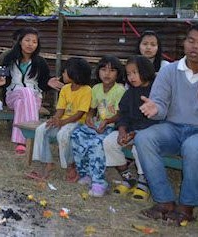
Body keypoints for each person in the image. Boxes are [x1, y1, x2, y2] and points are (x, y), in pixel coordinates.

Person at [136, 24, 198, 225]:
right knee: (144, 138)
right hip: (173, 128)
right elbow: (160, 104)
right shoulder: (169, 71)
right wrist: (155, 109)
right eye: (191, 40)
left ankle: (187, 206)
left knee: (193, 147)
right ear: (184, 43)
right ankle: (164, 201)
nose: (195, 46)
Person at [28, 57, 92, 181]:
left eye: (65, 71)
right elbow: (60, 109)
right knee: (41, 129)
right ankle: (47, 163)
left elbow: (79, 114)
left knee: (63, 135)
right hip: (63, 121)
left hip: (77, 123)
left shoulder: (87, 90)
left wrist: (62, 122)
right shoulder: (65, 89)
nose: (63, 74)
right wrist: (55, 119)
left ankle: (70, 166)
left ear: (75, 73)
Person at [71, 55, 126, 197]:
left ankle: (99, 183)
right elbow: (92, 109)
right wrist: (89, 117)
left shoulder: (120, 90)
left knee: (96, 144)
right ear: (98, 71)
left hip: (112, 126)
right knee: (77, 135)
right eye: (103, 69)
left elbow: (120, 114)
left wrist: (107, 121)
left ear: (118, 73)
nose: (107, 74)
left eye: (112, 70)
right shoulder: (96, 88)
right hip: (98, 124)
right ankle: (85, 174)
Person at [103, 55, 157, 199]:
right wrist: (121, 131)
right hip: (129, 130)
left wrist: (134, 133)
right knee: (108, 142)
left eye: (135, 72)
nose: (131, 77)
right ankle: (127, 176)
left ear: (145, 71)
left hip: (150, 132)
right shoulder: (130, 92)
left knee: (139, 146)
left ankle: (144, 180)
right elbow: (123, 114)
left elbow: (158, 119)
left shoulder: (157, 91)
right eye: (128, 74)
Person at [1, 27, 63, 153]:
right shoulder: (9, 59)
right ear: (20, 41)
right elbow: (4, 79)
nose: (30, 44)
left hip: (34, 99)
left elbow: (43, 84)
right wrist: (0, 83)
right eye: (27, 40)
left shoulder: (40, 62)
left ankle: (21, 142)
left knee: (22, 102)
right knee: (26, 91)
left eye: (34, 42)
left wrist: (48, 83)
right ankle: (35, 135)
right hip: (12, 95)